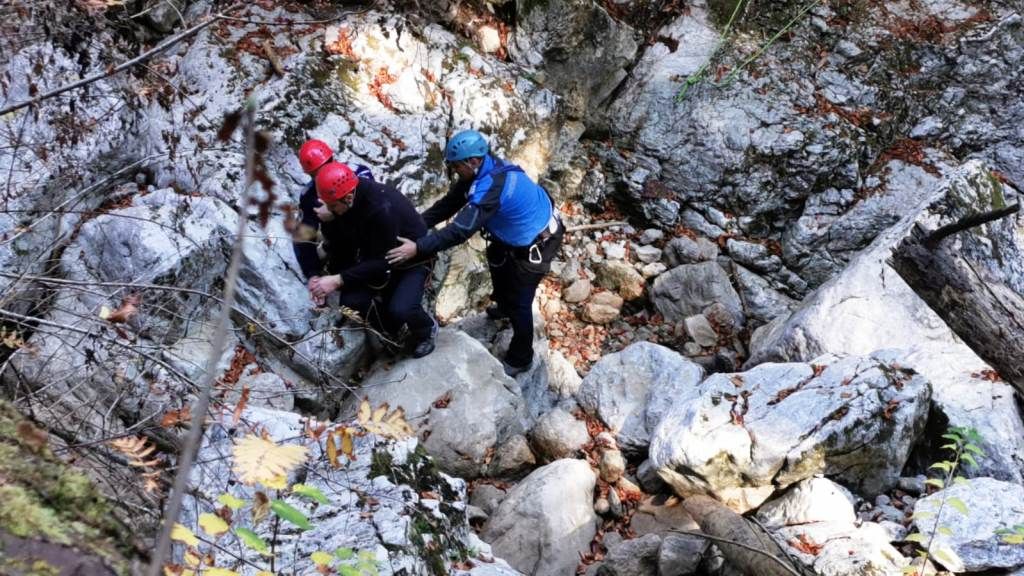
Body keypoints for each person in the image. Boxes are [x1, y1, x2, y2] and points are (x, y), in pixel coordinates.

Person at [386, 129, 564, 375]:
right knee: (496, 259)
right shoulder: (483, 170)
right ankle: (503, 306)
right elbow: (449, 204)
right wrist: (415, 226)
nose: (454, 171)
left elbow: (460, 230)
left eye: (455, 166)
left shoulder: (491, 187)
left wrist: (418, 248)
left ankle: (521, 356)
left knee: (521, 301)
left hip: (539, 244)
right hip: (516, 236)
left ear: (472, 161)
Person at [308, 161, 437, 358]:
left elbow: (380, 262)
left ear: (349, 197)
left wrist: (337, 280)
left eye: (333, 206)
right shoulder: (349, 202)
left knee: (400, 308)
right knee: (352, 301)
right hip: (380, 256)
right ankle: (392, 330)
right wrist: (330, 221)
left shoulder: (381, 209)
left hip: (412, 261)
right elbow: (344, 242)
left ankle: (425, 331)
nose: (330, 209)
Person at [291, 139, 375, 306]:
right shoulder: (310, 196)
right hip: (344, 248)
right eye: (316, 173)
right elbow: (303, 236)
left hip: (373, 240)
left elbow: (372, 209)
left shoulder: (357, 174)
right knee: (351, 300)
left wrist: (335, 213)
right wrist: (312, 274)